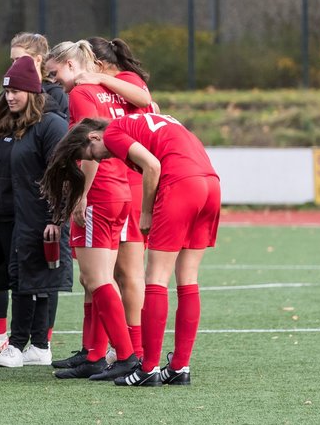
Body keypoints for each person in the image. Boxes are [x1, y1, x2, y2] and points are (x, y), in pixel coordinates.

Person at [42, 113, 220, 386]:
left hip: (181, 184)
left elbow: (153, 166)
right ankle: (179, 367)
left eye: (91, 154)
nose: (98, 160)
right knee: (188, 278)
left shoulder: (113, 132)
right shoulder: (148, 120)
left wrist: (146, 211)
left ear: (94, 136)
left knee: (157, 278)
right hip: (210, 184)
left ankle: (147, 368)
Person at [0, 57, 72, 368]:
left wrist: (56, 219)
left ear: (32, 92)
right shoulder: (6, 124)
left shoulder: (51, 125)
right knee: (21, 280)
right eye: (7, 91)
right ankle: (35, 345)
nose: (10, 97)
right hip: (7, 217)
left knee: (33, 282)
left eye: (17, 91)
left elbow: (63, 175)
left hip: (37, 219)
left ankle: (23, 344)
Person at [43, 40, 142, 383]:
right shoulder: (110, 91)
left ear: (71, 65)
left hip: (101, 191)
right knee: (94, 279)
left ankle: (126, 355)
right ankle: (95, 353)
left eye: (54, 72)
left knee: (98, 278)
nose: (53, 80)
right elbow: (144, 103)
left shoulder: (80, 94)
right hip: (122, 189)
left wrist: (80, 196)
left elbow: (89, 149)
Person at [85, 36, 156, 360]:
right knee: (111, 273)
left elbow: (144, 98)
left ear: (100, 64)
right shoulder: (106, 87)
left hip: (130, 183)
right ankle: (113, 347)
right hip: (123, 182)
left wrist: (101, 79)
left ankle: (135, 348)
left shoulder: (123, 80)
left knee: (128, 272)